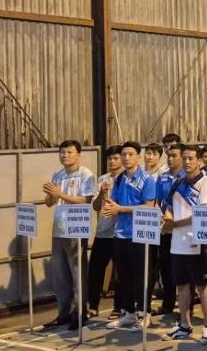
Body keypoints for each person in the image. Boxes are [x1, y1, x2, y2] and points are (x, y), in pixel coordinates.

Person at [161, 145, 207, 342]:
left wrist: (175, 223)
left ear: (199, 161)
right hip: (177, 242)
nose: (187, 162)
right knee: (182, 286)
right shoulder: (177, 183)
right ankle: (184, 325)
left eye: (191, 158)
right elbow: (167, 207)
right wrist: (167, 220)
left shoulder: (206, 184)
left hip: (198, 242)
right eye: (184, 158)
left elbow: (203, 214)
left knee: (202, 286)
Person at [102, 142, 157, 329]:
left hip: (140, 233)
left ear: (138, 157)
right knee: (123, 276)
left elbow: (149, 207)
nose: (126, 158)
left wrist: (121, 209)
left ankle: (145, 313)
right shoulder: (118, 179)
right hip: (121, 234)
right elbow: (113, 203)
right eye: (123, 154)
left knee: (141, 275)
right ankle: (128, 313)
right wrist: (106, 198)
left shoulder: (147, 179)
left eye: (130, 154)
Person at [43, 139, 96, 330]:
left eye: (69, 152)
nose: (65, 155)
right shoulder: (57, 174)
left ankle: (80, 313)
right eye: (62, 152)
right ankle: (63, 313)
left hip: (76, 228)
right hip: (59, 229)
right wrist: (51, 196)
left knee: (77, 273)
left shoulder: (86, 175)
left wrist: (60, 194)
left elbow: (85, 200)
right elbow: (50, 203)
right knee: (59, 274)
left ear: (78, 155)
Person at [88, 145, 124, 318]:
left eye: (116, 158)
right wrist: (102, 194)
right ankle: (92, 305)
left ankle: (118, 307)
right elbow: (95, 206)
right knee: (95, 270)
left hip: (119, 232)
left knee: (120, 273)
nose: (112, 161)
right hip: (102, 232)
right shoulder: (102, 179)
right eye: (110, 158)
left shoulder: (126, 179)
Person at [153, 144, 184, 315]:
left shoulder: (187, 177)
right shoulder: (163, 177)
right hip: (165, 226)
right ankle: (168, 303)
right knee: (165, 266)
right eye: (169, 156)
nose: (170, 159)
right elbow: (157, 201)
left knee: (183, 267)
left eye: (174, 155)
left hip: (182, 227)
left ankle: (187, 306)